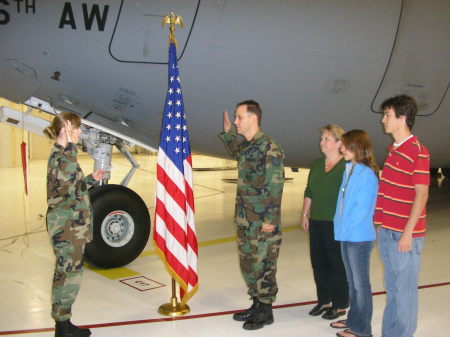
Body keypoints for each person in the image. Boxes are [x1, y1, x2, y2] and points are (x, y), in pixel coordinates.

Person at [218, 100, 285, 330]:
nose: (236, 122)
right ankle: (256, 303)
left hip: (262, 221)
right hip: (245, 219)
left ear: (253, 118)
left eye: (239, 117)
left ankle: (266, 311)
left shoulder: (269, 147)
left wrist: (269, 221)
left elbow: (274, 187)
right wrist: (227, 134)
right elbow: (237, 152)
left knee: (264, 265)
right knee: (249, 264)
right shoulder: (248, 146)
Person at [44, 112, 105, 337]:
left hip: (71, 225)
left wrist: (90, 178)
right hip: (67, 227)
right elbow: (66, 181)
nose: (80, 133)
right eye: (77, 128)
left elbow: (70, 188)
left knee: (68, 274)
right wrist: (70, 142)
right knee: (68, 276)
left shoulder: (63, 156)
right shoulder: (63, 156)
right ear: (66, 129)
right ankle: (62, 328)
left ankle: (64, 323)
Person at [375, 95, 430, 337]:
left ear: (402, 118)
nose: (383, 120)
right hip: (387, 232)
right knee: (393, 290)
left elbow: (422, 195)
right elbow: (386, 192)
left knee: (405, 293)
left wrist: (407, 233)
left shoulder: (418, 152)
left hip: (403, 236)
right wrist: (378, 223)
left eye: (387, 115)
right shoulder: (393, 152)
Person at [331, 130, 379, 337]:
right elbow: (342, 204)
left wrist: (345, 228)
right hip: (346, 235)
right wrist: (339, 226)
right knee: (352, 283)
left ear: (356, 147)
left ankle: (362, 330)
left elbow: (361, 209)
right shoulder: (348, 170)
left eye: (345, 145)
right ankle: (354, 319)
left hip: (358, 238)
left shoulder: (367, 174)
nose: (341, 149)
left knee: (361, 285)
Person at [300, 124, 349, 320]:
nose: (322, 142)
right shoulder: (317, 165)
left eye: (326, 139)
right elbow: (309, 191)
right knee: (319, 263)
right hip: (317, 221)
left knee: (337, 264)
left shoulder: (346, 167)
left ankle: (340, 304)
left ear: (339, 143)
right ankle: (324, 300)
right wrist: (305, 214)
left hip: (335, 223)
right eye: (322, 139)